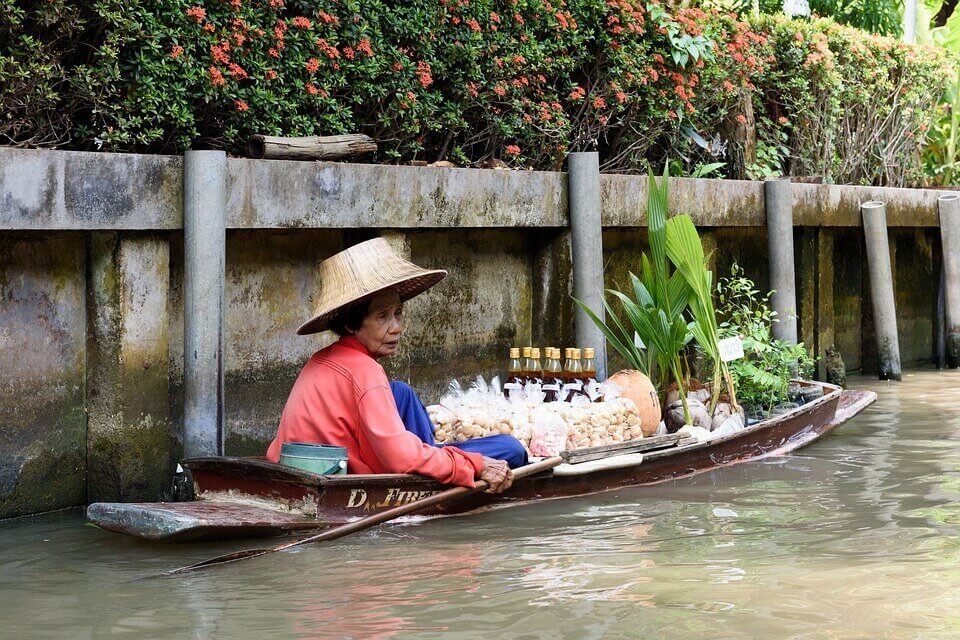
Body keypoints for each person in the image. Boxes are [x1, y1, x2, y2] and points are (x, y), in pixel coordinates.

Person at [266, 238, 528, 493]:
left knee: (400, 391)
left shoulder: (321, 359)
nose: (397, 328)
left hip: (315, 461)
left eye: (398, 314)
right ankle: (435, 458)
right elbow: (398, 459)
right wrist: (474, 464)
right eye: (383, 316)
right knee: (511, 448)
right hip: (345, 470)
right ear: (350, 324)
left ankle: (432, 451)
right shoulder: (365, 371)